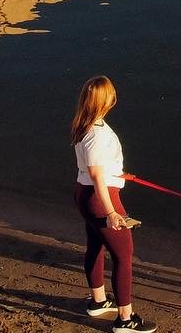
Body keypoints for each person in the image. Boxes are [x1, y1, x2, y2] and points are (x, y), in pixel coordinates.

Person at [71, 76, 157, 331]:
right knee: (124, 256)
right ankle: (125, 319)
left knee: (95, 245)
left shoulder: (84, 124)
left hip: (85, 193)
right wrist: (111, 212)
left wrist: (117, 173)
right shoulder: (96, 134)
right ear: (106, 100)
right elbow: (97, 174)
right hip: (100, 198)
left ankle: (98, 301)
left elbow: (95, 169)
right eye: (111, 93)